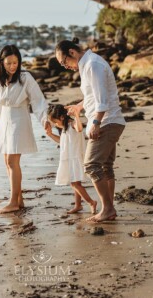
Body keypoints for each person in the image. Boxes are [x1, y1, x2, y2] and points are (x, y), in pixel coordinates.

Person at [55, 38, 125, 223]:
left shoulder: (92, 65)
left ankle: (107, 209)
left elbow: (102, 99)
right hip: (111, 120)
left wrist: (95, 122)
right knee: (105, 166)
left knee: (91, 166)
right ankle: (109, 209)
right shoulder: (89, 64)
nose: (66, 67)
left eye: (64, 62)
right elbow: (94, 96)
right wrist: (79, 106)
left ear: (72, 52)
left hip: (107, 121)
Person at [0, 45, 49, 214]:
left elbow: (38, 100)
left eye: (15, 62)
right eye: (9, 63)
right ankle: (19, 199)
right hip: (5, 120)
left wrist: (44, 119)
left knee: (13, 162)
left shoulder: (25, 77)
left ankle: (13, 201)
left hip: (19, 119)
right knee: (7, 161)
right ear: (2, 62)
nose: (12, 66)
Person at [46, 104, 97, 215]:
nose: (55, 124)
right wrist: (50, 134)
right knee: (76, 182)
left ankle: (91, 202)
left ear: (62, 118)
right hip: (69, 158)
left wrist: (77, 116)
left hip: (75, 157)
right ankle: (78, 205)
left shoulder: (72, 124)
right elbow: (62, 141)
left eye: (55, 121)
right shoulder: (65, 128)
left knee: (74, 184)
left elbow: (79, 128)